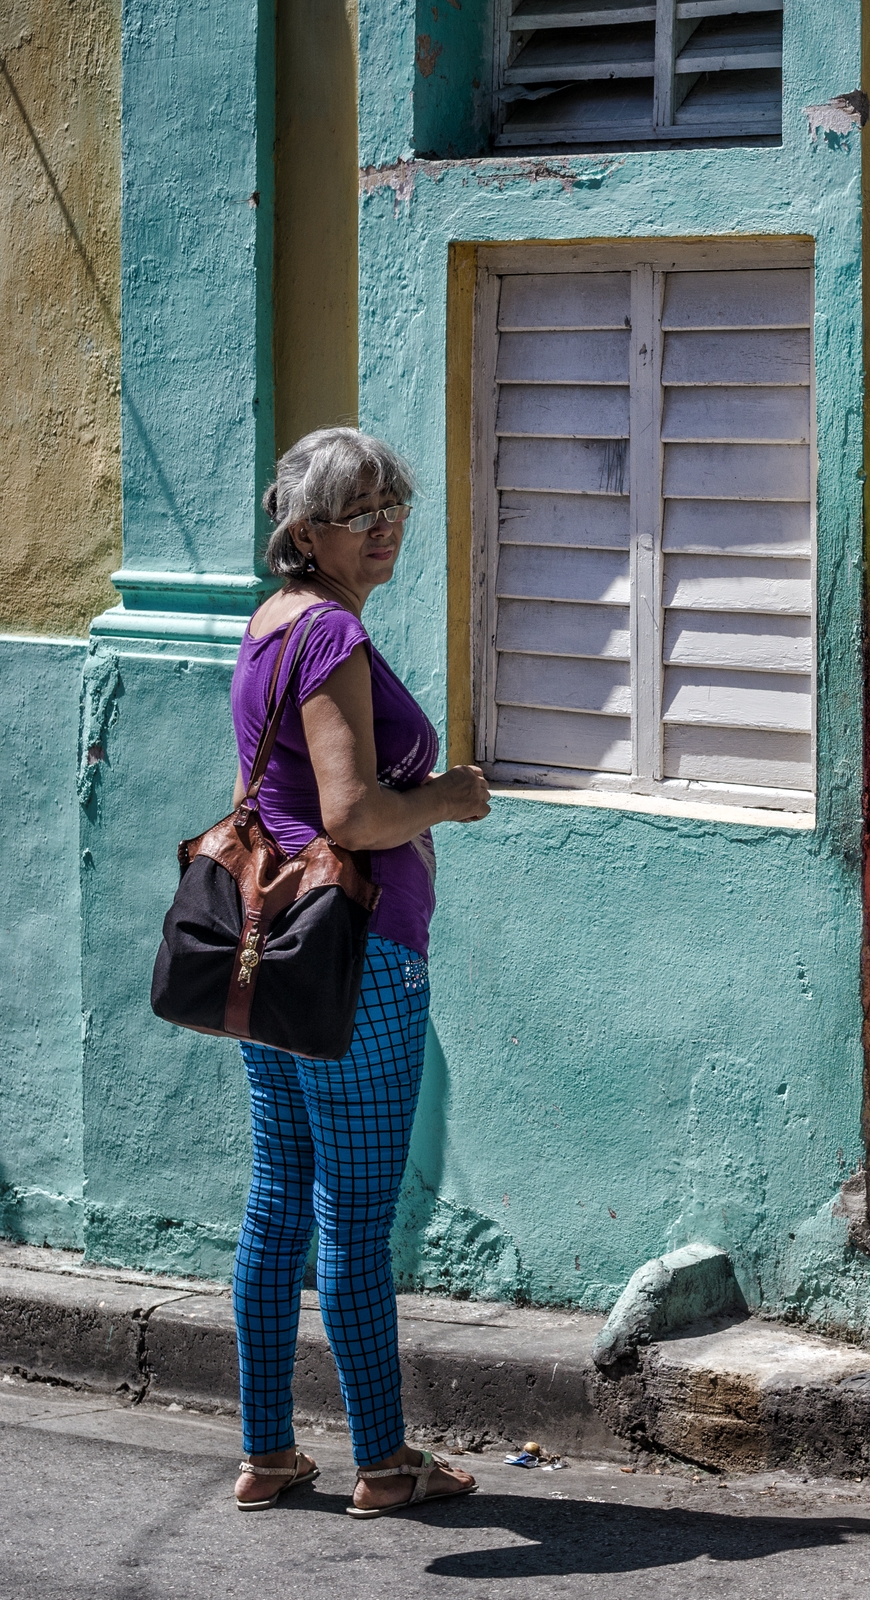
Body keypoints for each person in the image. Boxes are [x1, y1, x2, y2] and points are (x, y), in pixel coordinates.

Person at [225, 428, 491, 1515]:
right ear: (303, 532)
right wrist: (450, 796)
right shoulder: (329, 632)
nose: (384, 525)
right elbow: (350, 814)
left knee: (278, 1201)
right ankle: (384, 1460)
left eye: (392, 503)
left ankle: (267, 1451)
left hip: (274, 954)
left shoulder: (269, 624)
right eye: (357, 510)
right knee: (352, 1219)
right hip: (358, 961)